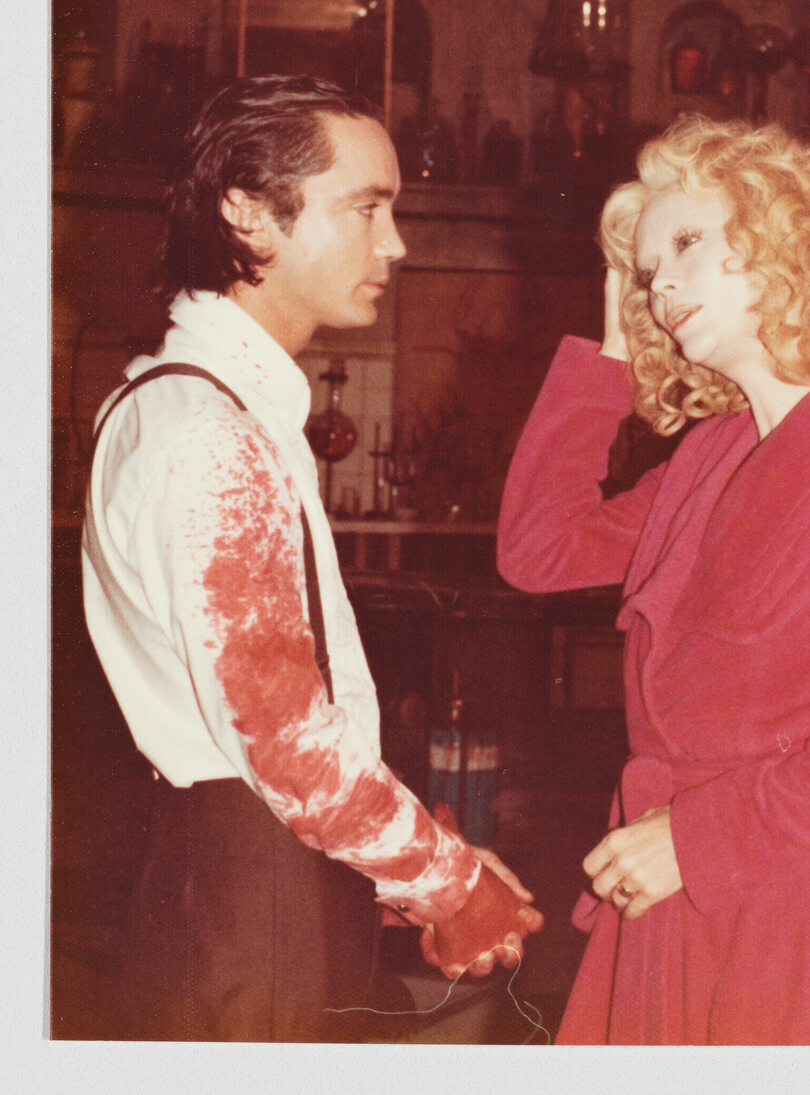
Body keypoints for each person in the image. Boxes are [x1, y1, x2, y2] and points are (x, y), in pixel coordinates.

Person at [498, 113, 810, 1044]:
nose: (660, 287)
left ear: (782, 234)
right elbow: (540, 549)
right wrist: (609, 350)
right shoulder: (712, 452)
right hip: (669, 889)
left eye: (688, 242)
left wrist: (695, 845)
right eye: (646, 272)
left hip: (801, 899)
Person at [83, 75, 541, 1041]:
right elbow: (284, 737)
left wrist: (399, 863)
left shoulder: (185, 401)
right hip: (255, 886)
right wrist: (447, 882)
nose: (396, 244)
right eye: (365, 209)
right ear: (248, 212)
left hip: (246, 867)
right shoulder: (210, 433)